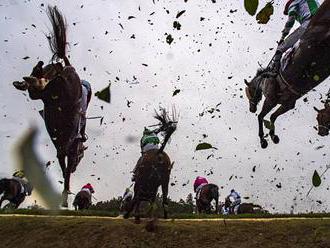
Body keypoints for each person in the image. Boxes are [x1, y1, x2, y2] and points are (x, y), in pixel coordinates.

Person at [271, 0, 320, 74]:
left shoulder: (293, 3)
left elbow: (291, 19)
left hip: (309, 23)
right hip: (324, 16)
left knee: (280, 48)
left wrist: (282, 37)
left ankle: (275, 72)